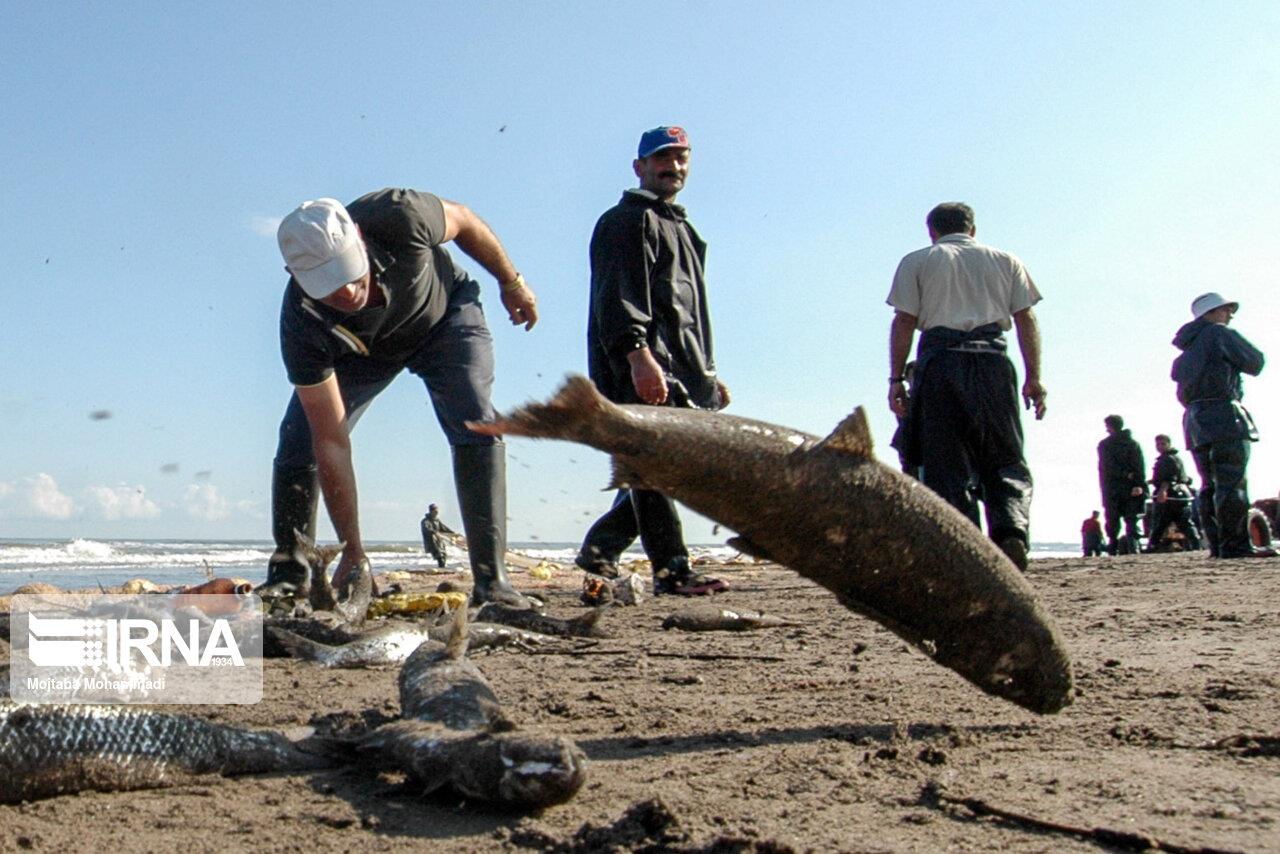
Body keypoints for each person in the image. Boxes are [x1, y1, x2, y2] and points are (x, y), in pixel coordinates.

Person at [264, 189, 540, 606]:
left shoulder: (400, 215)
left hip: (444, 318)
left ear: (358, 235)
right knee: (299, 439)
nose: (347, 293)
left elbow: (464, 220)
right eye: (328, 284)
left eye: (349, 272)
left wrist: (511, 280)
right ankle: (290, 577)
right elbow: (332, 440)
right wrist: (352, 550)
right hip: (363, 352)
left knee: (474, 416)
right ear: (295, 274)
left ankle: (493, 582)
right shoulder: (302, 321)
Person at [575, 126, 730, 596]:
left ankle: (602, 546)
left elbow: (689, 312)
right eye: (663, 158)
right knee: (657, 467)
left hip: (680, 368)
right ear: (639, 166)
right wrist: (637, 355)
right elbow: (616, 296)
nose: (674, 166)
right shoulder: (625, 221)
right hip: (640, 366)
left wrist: (708, 374)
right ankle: (672, 572)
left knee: (668, 469)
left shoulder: (680, 227)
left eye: (682, 158)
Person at [886, 202, 1046, 571]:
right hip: (993, 361)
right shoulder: (1006, 260)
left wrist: (896, 379)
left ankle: (967, 548)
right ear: (972, 229)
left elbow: (904, 322)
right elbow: (1026, 318)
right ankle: (1011, 532)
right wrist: (1034, 377)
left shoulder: (918, 260)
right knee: (1005, 457)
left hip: (941, 362)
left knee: (946, 462)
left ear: (932, 231)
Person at [1171, 292, 1273, 559]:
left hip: (1194, 420)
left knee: (1209, 485)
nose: (1230, 315)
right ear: (1211, 313)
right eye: (1226, 310)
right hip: (1224, 414)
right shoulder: (1218, 333)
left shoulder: (1186, 352)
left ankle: (1217, 546)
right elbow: (1256, 361)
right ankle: (1236, 546)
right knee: (1232, 482)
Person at [1097, 415, 1147, 555]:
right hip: (1129, 486)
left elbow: (1106, 467)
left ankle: (1114, 547)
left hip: (1112, 487)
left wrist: (1125, 475)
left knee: (1113, 519)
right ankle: (1132, 546)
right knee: (1131, 518)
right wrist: (1138, 483)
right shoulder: (1132, 443)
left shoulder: (1105, 445)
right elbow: (1139, 467)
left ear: (1109, 426)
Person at [1148, 433, 1201, 551]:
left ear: (1169, 444)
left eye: (1163, 443)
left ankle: (1152, 545)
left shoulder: (1167, 459)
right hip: (1180, 495)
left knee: (1161, 522)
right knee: (1183, 523)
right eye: (1158, 444)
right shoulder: (1174, 458)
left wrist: (1163, 491)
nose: (1160, 446)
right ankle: (1196, 544)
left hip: (1171, 497)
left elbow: (1170, 478)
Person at [420, 503, 454, 568]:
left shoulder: (437, 520)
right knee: (439, 555)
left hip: (439, 541)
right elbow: (426, 530)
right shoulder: (425, 521)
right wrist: (434, 531)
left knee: (444, 555)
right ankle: (441, 567)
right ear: (431, 511)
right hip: (432, 542)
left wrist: (453, 533)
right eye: (435, 511)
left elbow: (444, 528)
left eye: (437, 511)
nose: (437, 513)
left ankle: (442, 568)